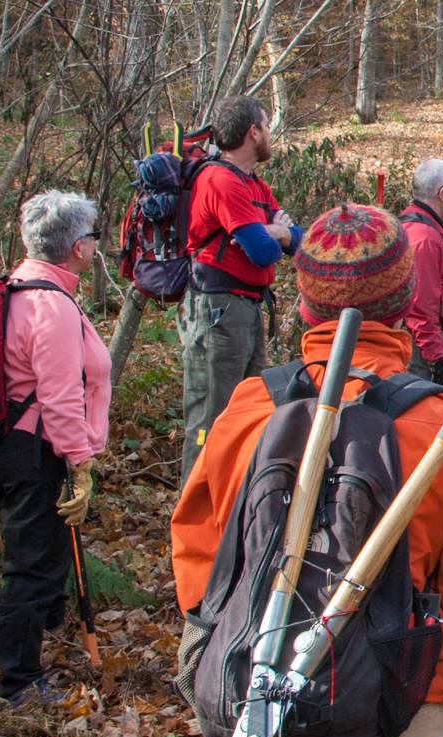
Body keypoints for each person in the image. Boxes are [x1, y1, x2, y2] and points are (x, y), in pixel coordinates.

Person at [172, 203, 443, 737]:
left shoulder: (248, 411)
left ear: (306, 303)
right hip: (407, 732)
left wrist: (225, 662)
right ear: (405, 300)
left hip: (269, 732)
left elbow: (201, 569)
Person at [0, 191, 112, 706]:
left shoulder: (20, 288)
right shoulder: (51, 306)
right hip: (34, 450)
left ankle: (32, 657)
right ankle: (20, 683)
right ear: (78, 246)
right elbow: (58, 396)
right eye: (94, 238)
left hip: (20, 445)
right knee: (30, 564)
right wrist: (81, 466)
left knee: (39, 557)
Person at [180, 95, 300, 480]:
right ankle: (195, 515)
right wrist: (275, 232)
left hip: (247, 309)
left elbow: (296, 241)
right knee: (210, 418)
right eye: (267, 126)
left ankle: (231, 506)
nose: (269, 134)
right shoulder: (219, 180)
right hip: (218, 311)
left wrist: (278, 231)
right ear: (254, 132)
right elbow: (264, 250)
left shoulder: (255, 185)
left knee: (250, 410)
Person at [402, 158, 443, 387]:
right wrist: (435, 357)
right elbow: (420, 305)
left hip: (429, 338)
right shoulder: (424, 238)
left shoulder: (425, 227)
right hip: (421, 347)